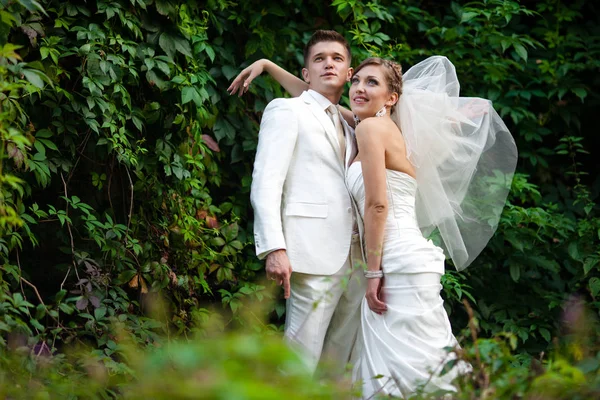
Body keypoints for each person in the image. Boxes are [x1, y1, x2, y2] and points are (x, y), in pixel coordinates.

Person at [230, 54, 517, 398]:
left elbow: (377, 205)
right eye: (356, 81)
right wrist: (268, 66)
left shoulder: (368, 129)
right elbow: (315, 100)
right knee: (417, 356)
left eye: (372, 82)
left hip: (392, 259)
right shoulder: (377, 126)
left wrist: (373, 273)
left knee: (411, 360)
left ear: (392, 97)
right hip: (405, 255)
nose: (359, 88)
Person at [238, 30, 366, 376]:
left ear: (350, 73)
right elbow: (266, 182)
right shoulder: (286, 110)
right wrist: (274, 248)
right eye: (319, 58)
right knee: (298, 364)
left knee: (337, 367)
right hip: (311, 256)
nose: (329, 64)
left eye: (337, 58)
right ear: (306, 73)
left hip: (358, 260)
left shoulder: (353, 122)